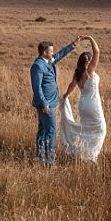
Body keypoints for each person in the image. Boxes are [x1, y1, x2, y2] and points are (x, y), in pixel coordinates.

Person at [30, 37, 80, 165]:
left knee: (42, 129)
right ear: (44, 52)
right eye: (51, 51)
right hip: (45, 104)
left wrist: (72, 45)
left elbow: (59, 55)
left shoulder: (48, 61)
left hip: (50, 102)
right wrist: (44, 103)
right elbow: (37, 87)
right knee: (51, 130)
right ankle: (50, 161)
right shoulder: (38, 66)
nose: (53, 53)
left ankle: (41, 158)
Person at [59, 35, 107, 161]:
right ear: (88, 62)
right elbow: (97, 51)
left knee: (86, 132)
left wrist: (65, 96)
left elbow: (72, 85)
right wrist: (90, 38)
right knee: (101, 129)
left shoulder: (78, 73)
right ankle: (92, 157)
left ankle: (83, 155)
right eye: (90, 61)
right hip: (92, 105)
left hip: (82, 105)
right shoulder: (89, 71)